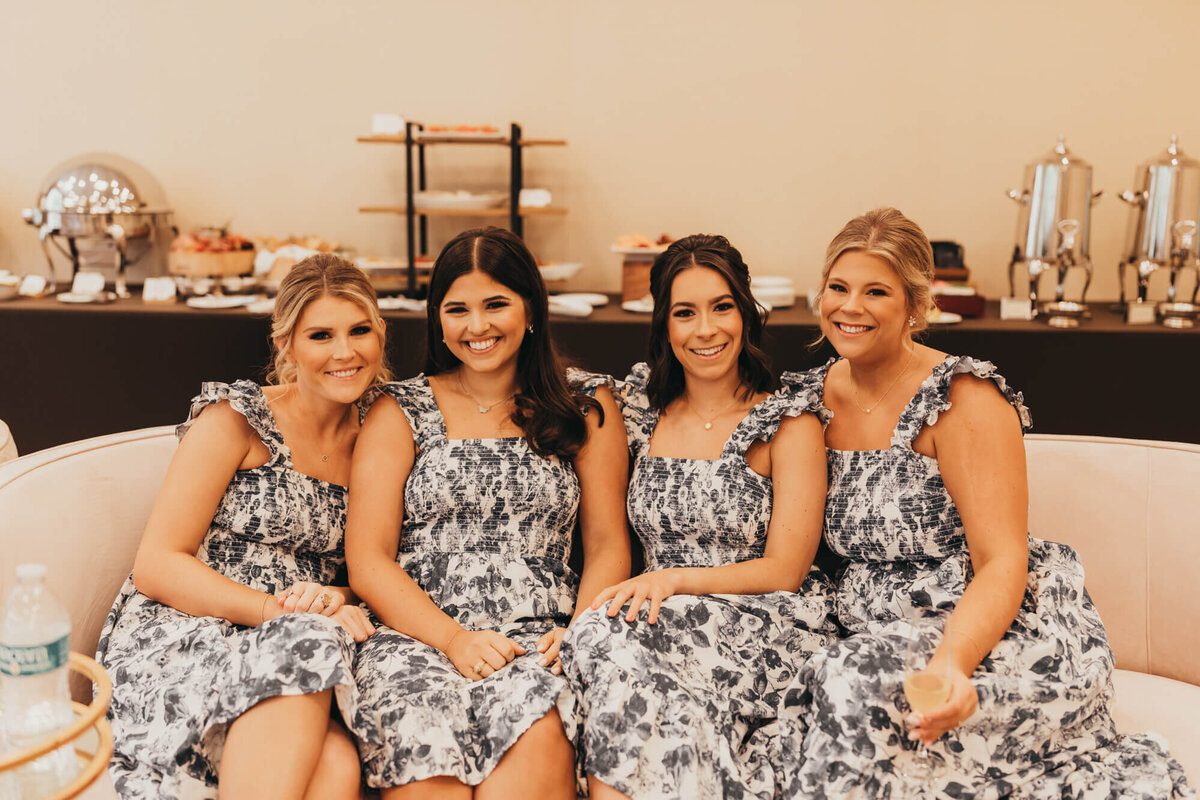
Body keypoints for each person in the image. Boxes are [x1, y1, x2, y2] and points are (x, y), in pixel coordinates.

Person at [776, 207, 1194, 798]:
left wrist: (952, 663)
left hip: (983, 625)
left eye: (876, 291)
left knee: (857, 687)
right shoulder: (805, 398)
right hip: (861, 623)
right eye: (838, 288)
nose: (850, 307)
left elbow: (1002, 561)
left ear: (916, 305)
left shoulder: (962, 397)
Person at [345, 226, 630, 799]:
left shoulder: (585, 404)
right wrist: (452, 639)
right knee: (430, 774)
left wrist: (576, 633)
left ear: (530, 310)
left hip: (539, 638)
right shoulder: (399, 410)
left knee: (537, 747)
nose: (477, 327)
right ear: (438, 320)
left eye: (496, 303)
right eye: (458, 310)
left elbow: (607, 545)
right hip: (417, 637)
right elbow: (369, 561)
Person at [97, 254, 388, 799]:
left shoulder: (385, 434)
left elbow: (377, 563)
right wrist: (272, 612)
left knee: (337, 766)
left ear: (381, 333)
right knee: (307, 643)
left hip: (304, 632)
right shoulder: (236, 419)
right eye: (320, 335)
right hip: (191, 626)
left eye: (359, 331)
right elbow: (157, 564)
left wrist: (335, 593)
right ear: (287, 345)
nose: (344, 352)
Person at [558, 234, 836, 800]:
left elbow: (785, 569)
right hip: (656, 623)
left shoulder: (788, 422)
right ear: (663, 326)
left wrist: (672, 579)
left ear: (747, 313)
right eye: (684, 313)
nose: (705, 329)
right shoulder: (638, 410)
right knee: (622, 663)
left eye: (722, 307)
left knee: (605, 638)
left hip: (762, 622)